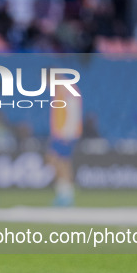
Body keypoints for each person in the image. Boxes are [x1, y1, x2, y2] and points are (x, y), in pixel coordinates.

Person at [46, 78, 82, 206]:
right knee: (60, 161)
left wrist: (68, 132)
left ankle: (66, 194)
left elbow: (72, 111)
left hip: (65, 133)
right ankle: (65, 192)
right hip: (61, 132)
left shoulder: (65, 88)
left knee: (60, 161)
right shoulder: (61, 89)